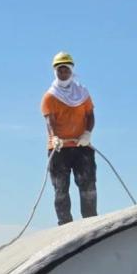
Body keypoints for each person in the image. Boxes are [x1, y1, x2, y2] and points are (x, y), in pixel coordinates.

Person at [41, 51, 97, 225]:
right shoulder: (50, 96)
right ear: (55, 72)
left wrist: (87, 133)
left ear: (71, 71)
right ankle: (65, 225)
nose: (63, 73)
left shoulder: (83, 93)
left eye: (66, 70)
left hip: (82, 146)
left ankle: (90, 223)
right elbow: (49, 121)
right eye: (60, 70)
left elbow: (90, 115)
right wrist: (54, 137)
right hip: (59, 149)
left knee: (87, 185)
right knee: (61, 190)